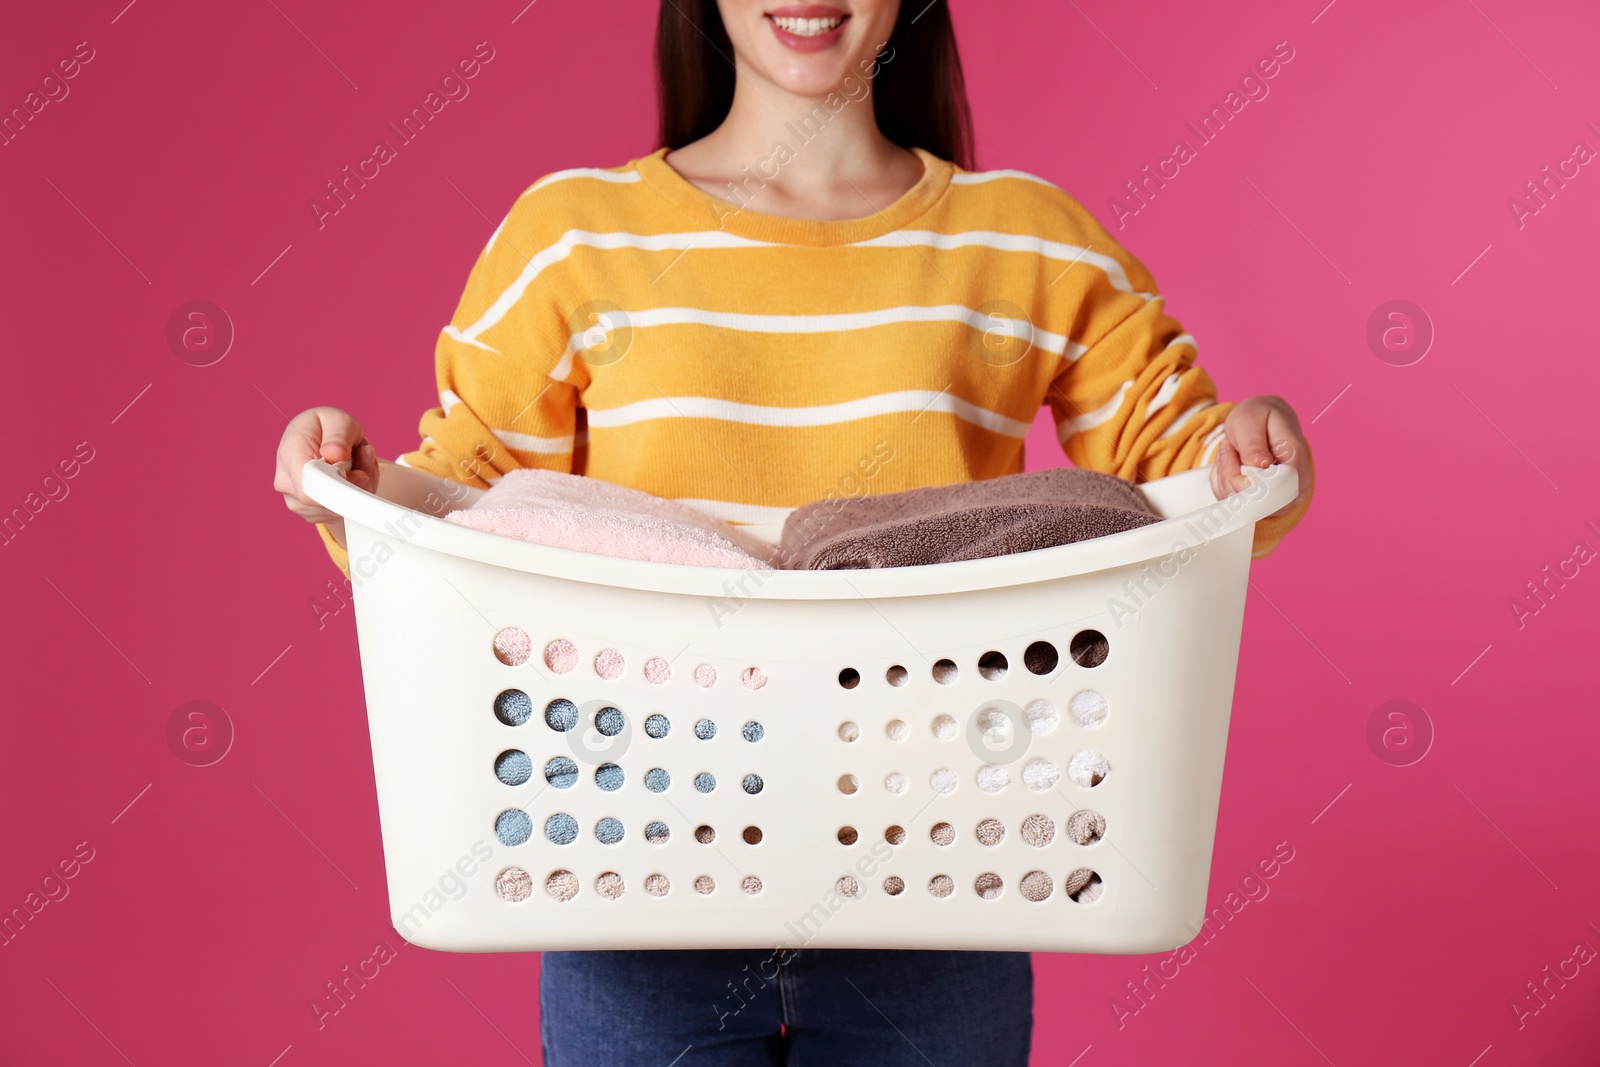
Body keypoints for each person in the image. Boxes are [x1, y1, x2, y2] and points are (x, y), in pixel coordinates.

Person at [273, 2, 1315, 1062]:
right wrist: (353, 488)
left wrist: (1255, 449)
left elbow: (1184, 480)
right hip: (632, 860)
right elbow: (468, 503)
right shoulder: (575, 236)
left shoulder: (1025, 237)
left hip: (944, 866)